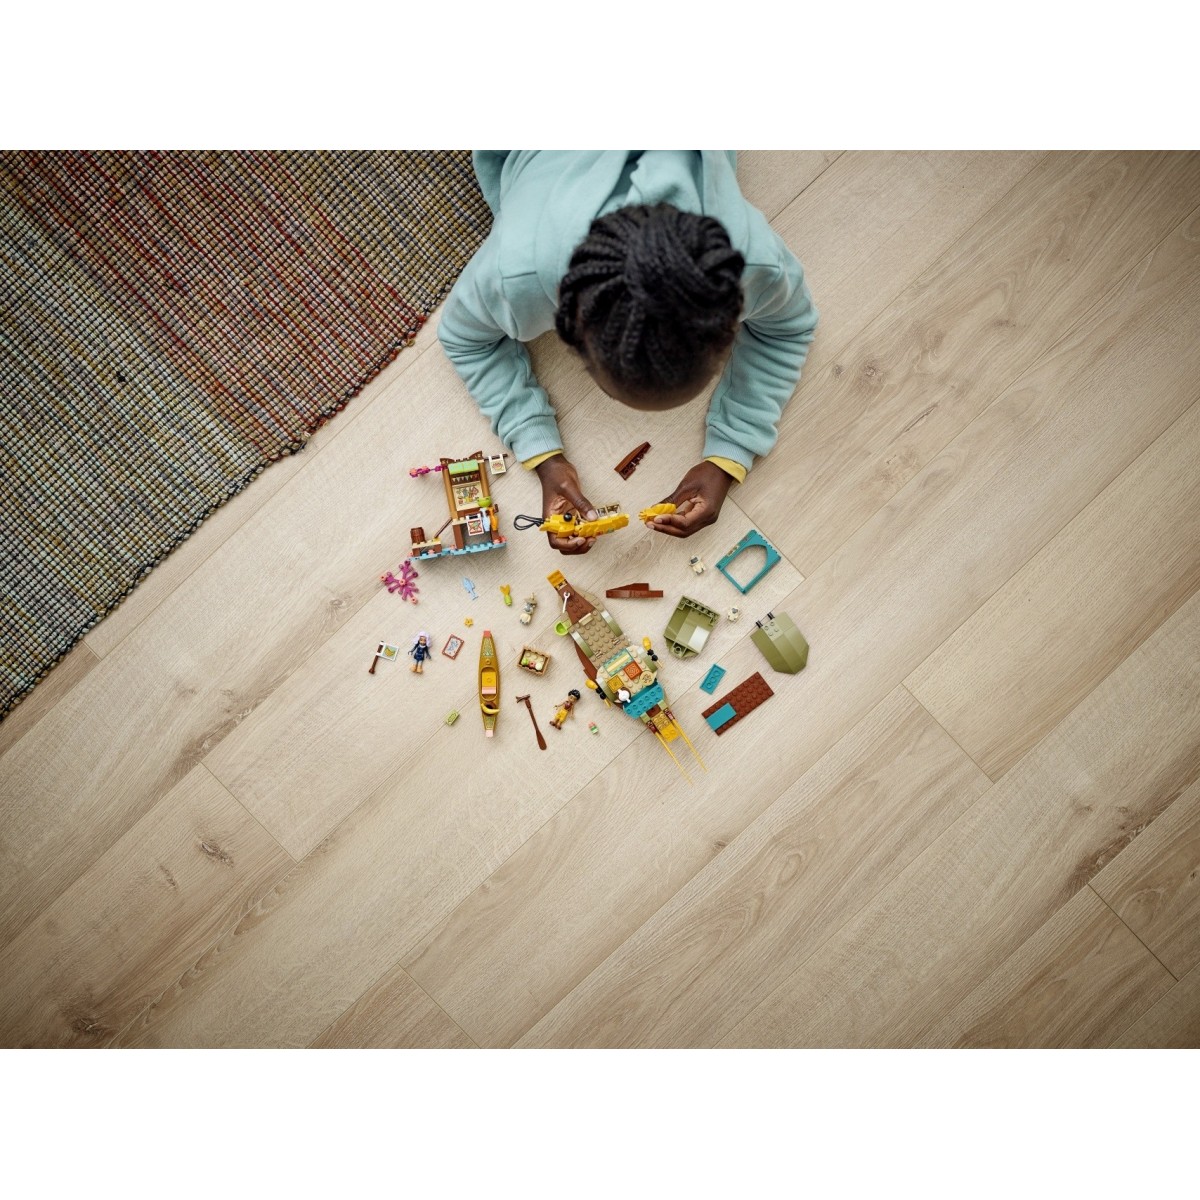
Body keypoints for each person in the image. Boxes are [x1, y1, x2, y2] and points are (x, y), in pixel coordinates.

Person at [438, 152, 818, 554]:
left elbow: (790, 329)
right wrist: (541, 452)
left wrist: (729, 455)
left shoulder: (749, 263)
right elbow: (462, 339)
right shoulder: (515, 276)